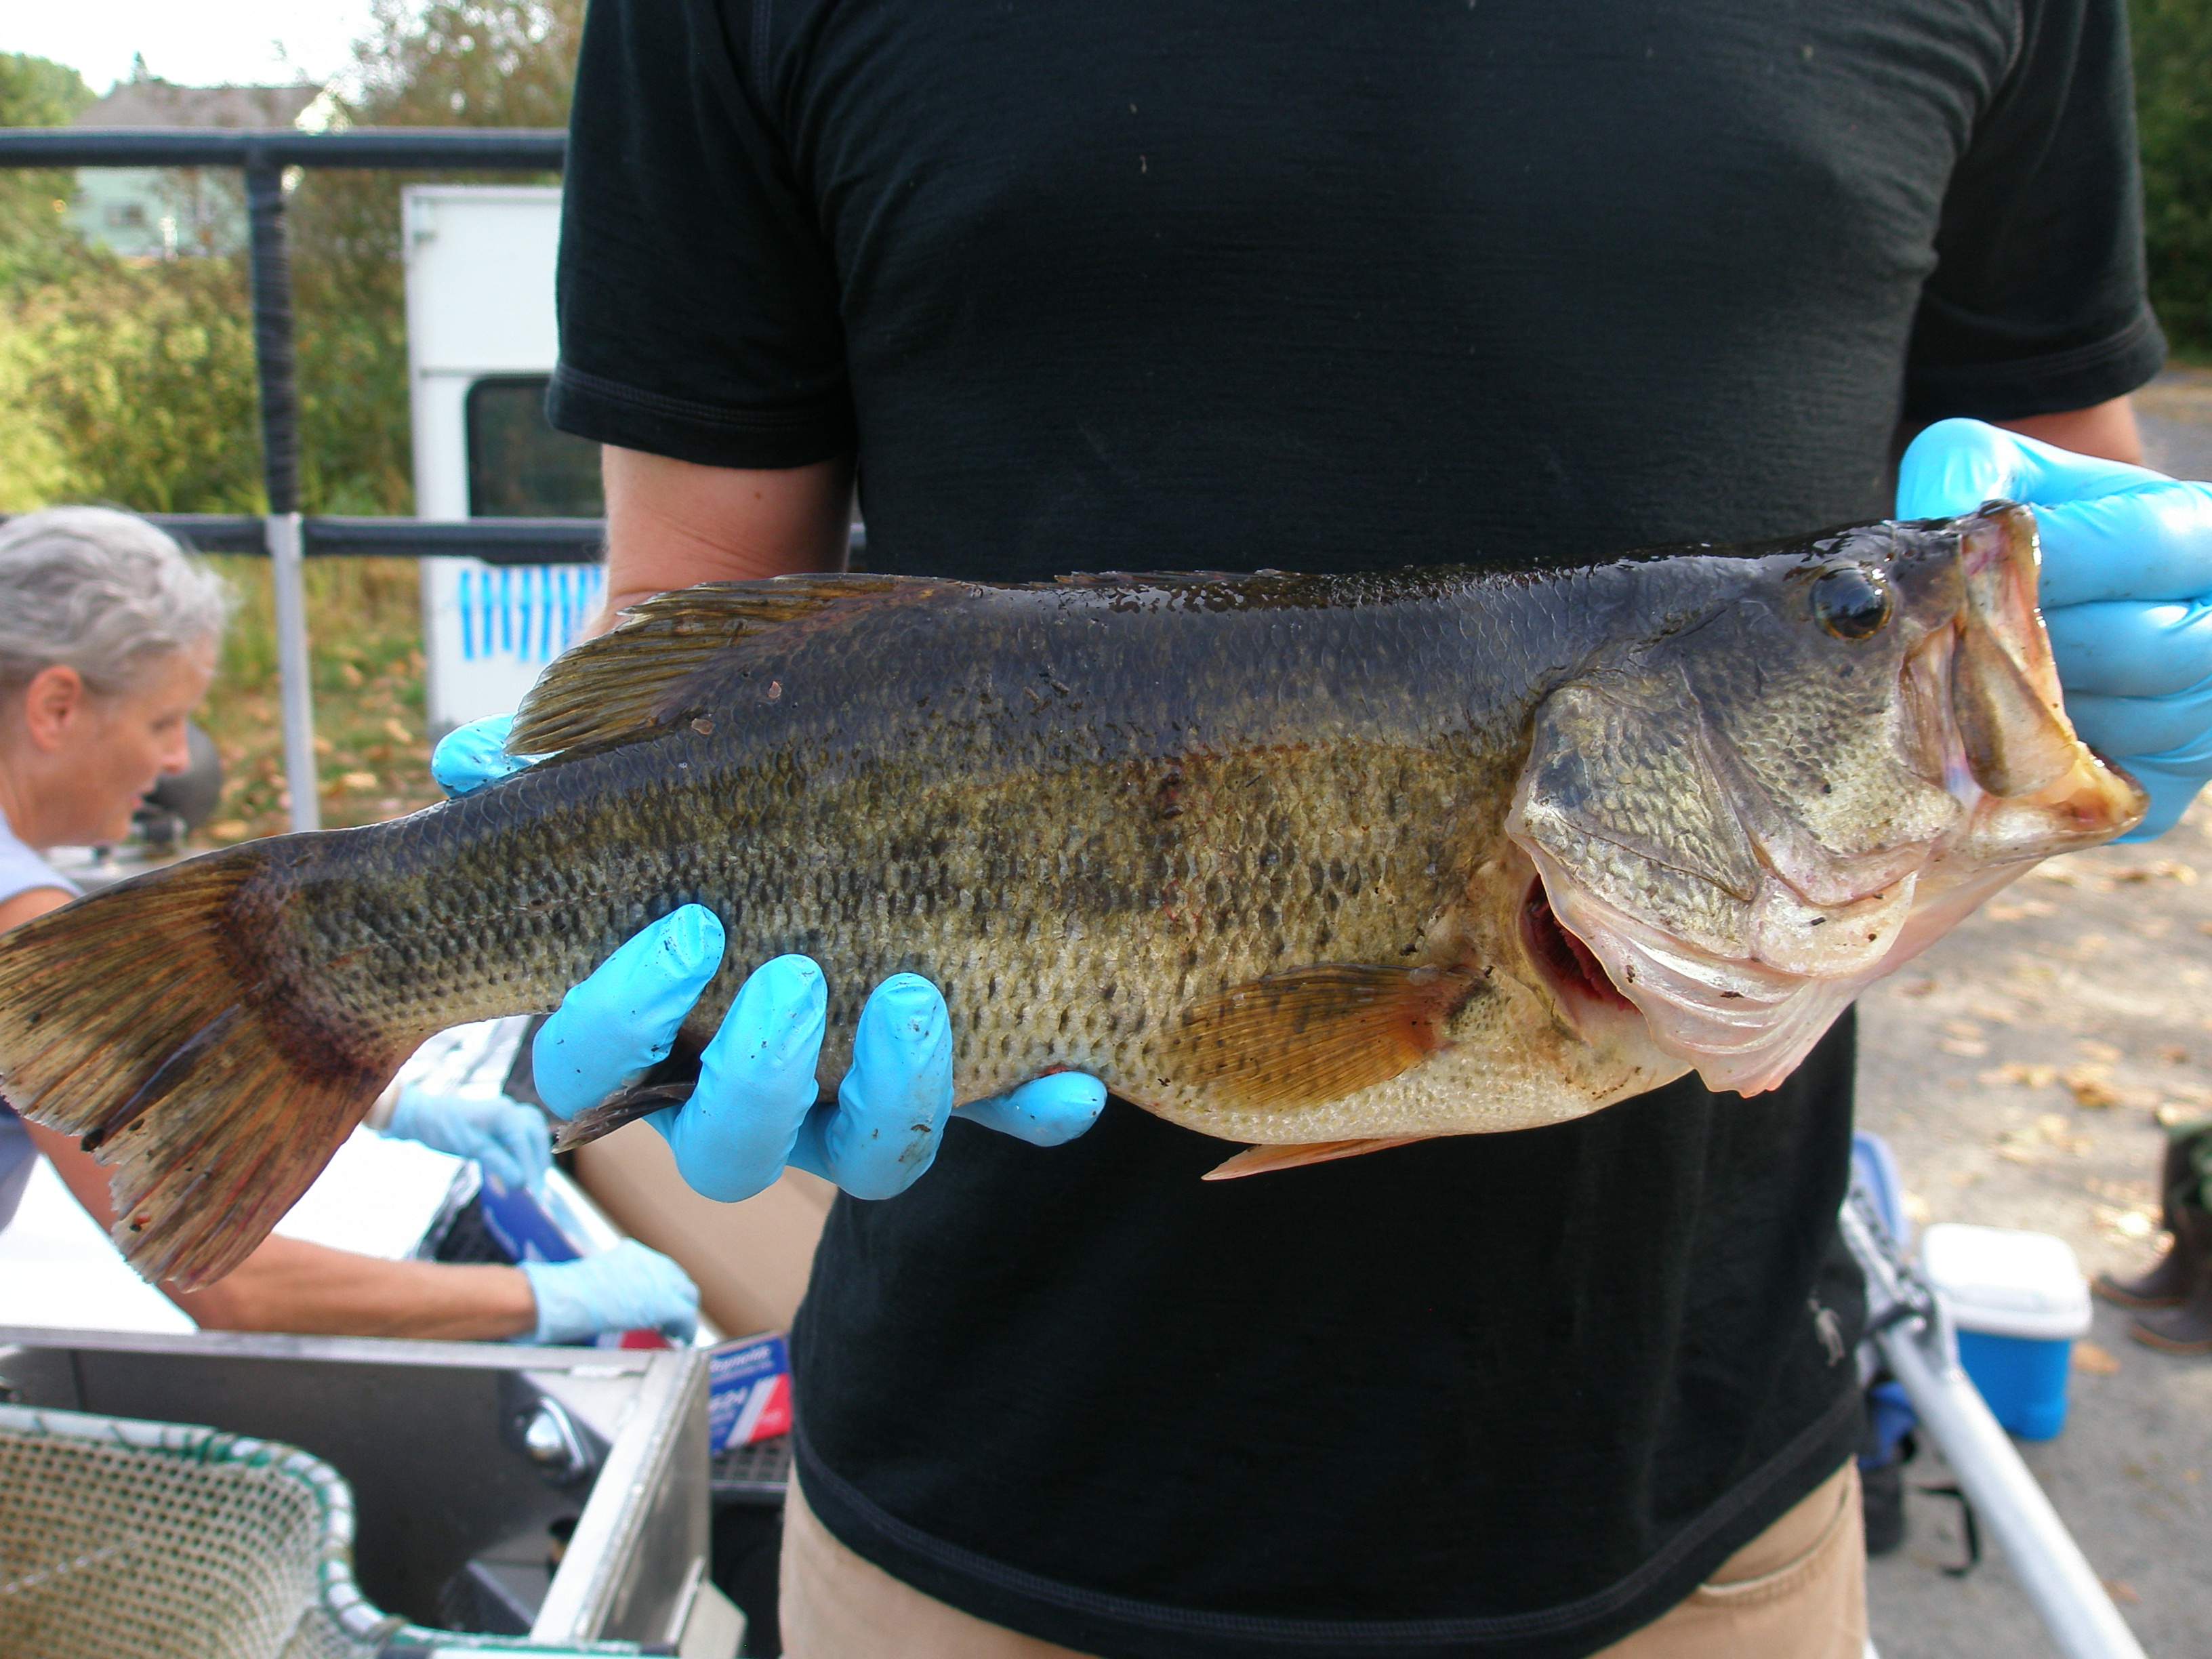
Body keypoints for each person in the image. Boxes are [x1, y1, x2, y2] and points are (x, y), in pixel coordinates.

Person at [438, 3, 2212, 1653]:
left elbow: (2057, 504)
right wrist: (575, 916)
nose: (1905, 617)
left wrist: (2093, 694)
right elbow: (699, 604)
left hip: (1715, 1506)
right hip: (980, 1524)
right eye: (1848, 613)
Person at [0, 506, 697, 1345]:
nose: (180, 760)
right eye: (163, 720)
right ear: (55, 707)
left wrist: (395, 1105)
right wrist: (554, 1299)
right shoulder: (25, 932)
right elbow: (228, 1287)